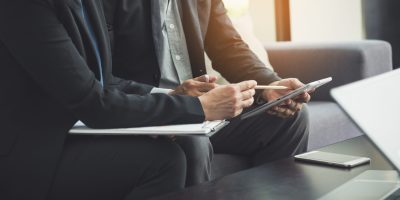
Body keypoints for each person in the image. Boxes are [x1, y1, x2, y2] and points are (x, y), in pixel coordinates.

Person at [0, 0, 257, 199]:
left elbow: (106, 80)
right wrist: (197, 108)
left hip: (74, 130)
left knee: (179, 150)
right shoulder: (24, 6)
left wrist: (173, 96)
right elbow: (92, 102)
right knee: (164, 161)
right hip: (35, 152)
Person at [102, 0, 311, 186]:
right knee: (192, 139)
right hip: (149, 110)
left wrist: (271, 86)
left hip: (203, 109)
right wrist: (173, 99)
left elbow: (228, 47)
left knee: (292, 118)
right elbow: (101, 77)